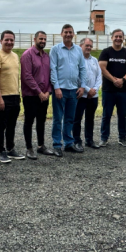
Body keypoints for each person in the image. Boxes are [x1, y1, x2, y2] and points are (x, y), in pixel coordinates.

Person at [50, 24, 86, 157]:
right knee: (58, 118)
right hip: (60, 90)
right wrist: (56, 87)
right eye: (66, 32)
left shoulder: (78, 50)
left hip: (74, 90)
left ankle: (69, 143)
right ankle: (57, 145)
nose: (68, 34)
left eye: (70, 32)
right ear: (61, 34)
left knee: (70, 118)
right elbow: (53, 69)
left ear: (73, 34)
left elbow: (82, 69)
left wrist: (82, 86)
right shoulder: (55, 49)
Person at [0, 30, 25, 163]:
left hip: (15, 96)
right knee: (1, 124)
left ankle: (10, 149)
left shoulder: (15, 56)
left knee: (12, 124)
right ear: (1, 41)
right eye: (7, 40)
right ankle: (1, 151)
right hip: (3, 96)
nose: (9, 42)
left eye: (11, 40)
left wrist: (19, 93)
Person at [98, 29, 126, 147]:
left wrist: (123, 80)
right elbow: (102, 68)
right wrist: (114, 80)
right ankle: (104, 138)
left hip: (123, 91)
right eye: (116, 36)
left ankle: (122, 138)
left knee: (122, 115)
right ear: (112, 38)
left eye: (120, 36)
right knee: (106, 115)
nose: (118, 38)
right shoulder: (106, 52)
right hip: (108, 90)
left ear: (123, 38)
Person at [21, 31, 55, 159]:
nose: (43, 41)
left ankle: (41, 146)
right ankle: (29, 148)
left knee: (41, 120)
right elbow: (27, 76)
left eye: (45, 39)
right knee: (29, 121)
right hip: (31, 95)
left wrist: (47, 92)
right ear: (34, 39)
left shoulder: (46, 56)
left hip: (44, 95)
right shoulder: (27, 55)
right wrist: (39, 92)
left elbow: (49, 75)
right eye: (41, 38)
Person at [72, 38, 102, 150]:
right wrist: (87, 89)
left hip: (93, 96)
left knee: (90, 118)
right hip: (81, 95)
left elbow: (99, 76)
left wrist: (94, 89)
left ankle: (89, 140)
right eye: (87, 45)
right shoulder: (77, 60)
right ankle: (77, 141)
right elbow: (77, 77)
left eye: (90, 46)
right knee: (77, 119)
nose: (89, 47)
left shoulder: (94, 60)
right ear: (81, 46)